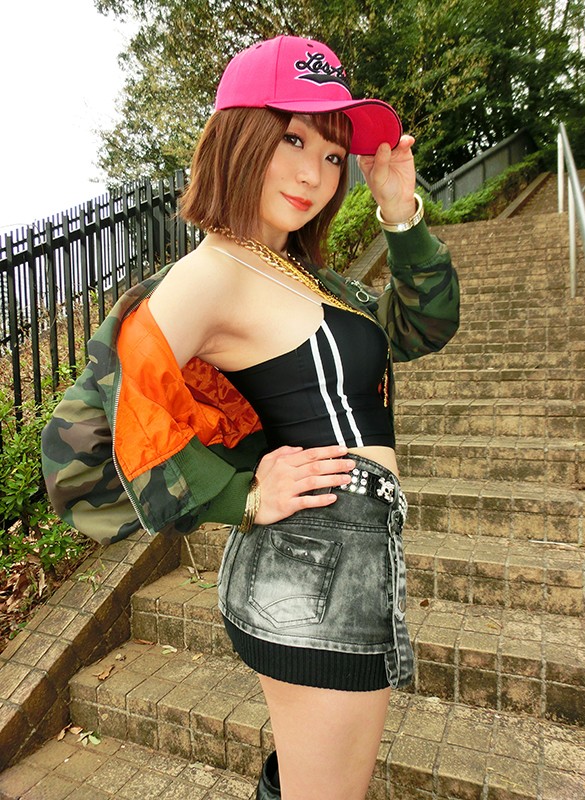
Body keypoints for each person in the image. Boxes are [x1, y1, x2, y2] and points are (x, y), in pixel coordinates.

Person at [42, 34, 459, 800]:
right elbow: (78, 452)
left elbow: (421, 326)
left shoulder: (307, 276)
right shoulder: (212, 273)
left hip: (347, 556)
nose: (314, 174)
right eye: (292, 139)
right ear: (237, 137)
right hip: (314, 563)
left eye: (332, 154)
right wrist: (241, 494)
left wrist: (400, 216)